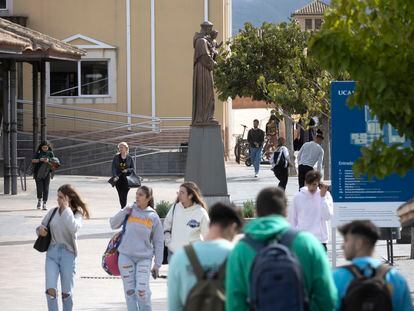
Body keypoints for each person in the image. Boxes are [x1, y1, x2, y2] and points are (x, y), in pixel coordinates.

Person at [226, 187, 337, 311]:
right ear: (285, 212)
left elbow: (234, 303)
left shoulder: (241, 249)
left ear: (257, 212)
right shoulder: (308, 243)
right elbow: (328, 298)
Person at [167, 202, 243, 311]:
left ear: (210, 222)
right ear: (233, 227)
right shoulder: (236, 255)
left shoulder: (180, 257)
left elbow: (174, 306)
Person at [334, 220, 412, 310]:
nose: (342, 246)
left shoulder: (337, 277)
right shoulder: (395, 278)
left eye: (346, 240)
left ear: (359, 243)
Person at [36, 184, 90, 311]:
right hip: (52, 254)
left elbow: (73, 228)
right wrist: (40, 230)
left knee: (66, 293)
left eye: (61, 197)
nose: (58, 200)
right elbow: (40, 227)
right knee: (50, 290)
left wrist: (66, 209)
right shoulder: (53, 212)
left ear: (68, 198)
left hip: (68, 255)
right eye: (58, 197)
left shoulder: (77, 214)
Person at [110, 186, 164, 311]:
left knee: (142, 291)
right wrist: (124, 211)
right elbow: (113, 224)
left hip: (144, 258)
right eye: (136, 194)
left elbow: (159, 241)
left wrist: (157, 264)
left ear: (148, 198)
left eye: (140, 195)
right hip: (125, 256)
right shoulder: (129, 210)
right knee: (129, 292)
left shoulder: (153, 217)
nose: (137, 197)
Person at [163, 181, 210, 259]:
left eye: (182, 192)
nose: (179, 195)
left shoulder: (201, 212)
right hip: (174, 254)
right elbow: (166, 225)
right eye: (179, 192)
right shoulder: (175, 207)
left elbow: (207, 235)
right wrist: (169, 243)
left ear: (190, 195)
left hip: (193, 256)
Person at [288, 170, 333, 251]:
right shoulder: (298, 197)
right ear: (305, 182)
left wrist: (323, 198)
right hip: (302, 240)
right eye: (309, 184)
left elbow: (327, 216)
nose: (311, 187)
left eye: (314, 184)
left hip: (320, 241)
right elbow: (292, 220)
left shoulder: (326, 195)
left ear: (319, 184)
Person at [192, 21, 218, 125]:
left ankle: (207, 116)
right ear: (206, 29)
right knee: (206, 92)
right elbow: (204, 57)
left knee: (209, 92)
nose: (211, 31)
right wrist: (215, 63)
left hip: (205, 69)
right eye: (210, 29)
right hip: (203, 71)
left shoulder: (204, 40)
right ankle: (205, 117)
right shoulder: (201, 41)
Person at [111, 142, 135, 208]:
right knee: (120, 195)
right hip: (118, 179)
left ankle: (123, 208)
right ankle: (123, 208)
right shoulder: (116, 157)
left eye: (122, 147)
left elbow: (133, 168)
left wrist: (127, 170)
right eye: (119, 148)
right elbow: (113, 168)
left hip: (127, 180)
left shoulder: (130, 158)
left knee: (124, 195)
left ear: (126, 148)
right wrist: (115, 176)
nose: (120, 149)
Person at [32, 141, 55, 210]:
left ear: (48, 147)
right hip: (38, 173)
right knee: (39, 188)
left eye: (46, 147)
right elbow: (33, 160)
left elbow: (54, 163)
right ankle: (39, 200)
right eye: (43, 147)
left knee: (46, 188)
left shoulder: (50, 153)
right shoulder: (38, 152)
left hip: (47, 173)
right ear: (41, 147)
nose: (45, 148)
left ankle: (44, 203)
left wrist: (48, 160)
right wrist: (40, 160)